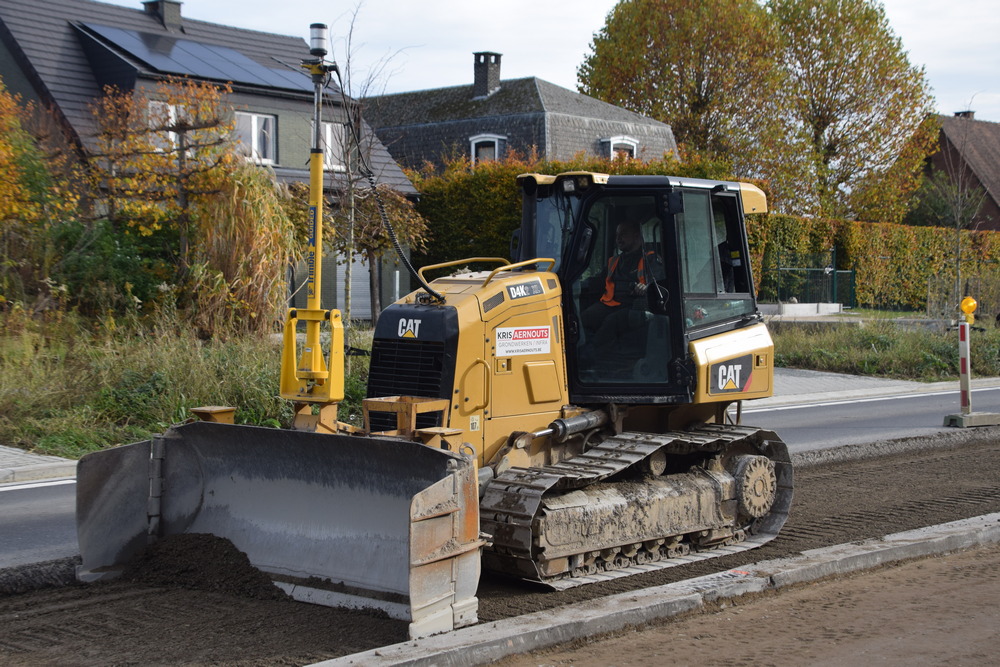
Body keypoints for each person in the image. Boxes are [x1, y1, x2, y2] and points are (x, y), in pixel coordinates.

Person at [582, 220, 663, 347]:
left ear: (636, 236)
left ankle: (592, 356)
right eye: (617, 235)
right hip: (610, 303)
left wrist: (645, 288)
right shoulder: (615, 261)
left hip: (635, 305)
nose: (618, 239)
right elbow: (598, 281)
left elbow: (657, 285)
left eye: (623, 234)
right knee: (585, 317)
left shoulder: (651, 258)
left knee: (612, 321)